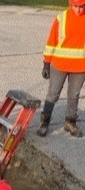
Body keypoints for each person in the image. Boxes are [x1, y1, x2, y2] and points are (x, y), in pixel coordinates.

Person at [36, 0, 85, 138]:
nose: (79, 10)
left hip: (80, 66)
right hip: (59, 65)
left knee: (74, 95)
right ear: (70, 4)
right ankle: (44, 122)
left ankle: (70, 122)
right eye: (76, 7)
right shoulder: (62, 18)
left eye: (82, 7)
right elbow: (51, 41)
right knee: (53, 94)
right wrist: (46, 63)